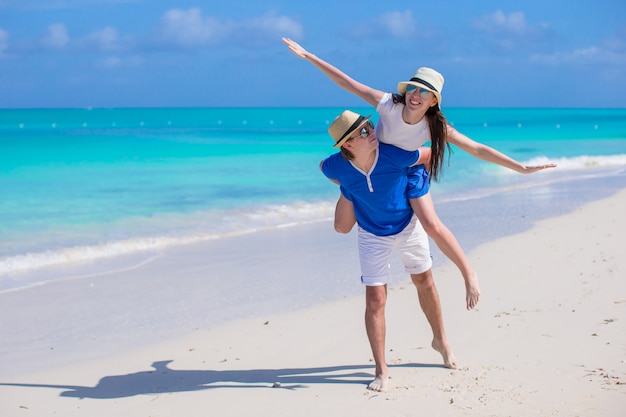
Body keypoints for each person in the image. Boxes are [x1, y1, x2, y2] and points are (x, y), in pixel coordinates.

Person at [283, 37, 557, 310]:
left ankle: (469, 274)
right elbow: (347, 83)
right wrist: (309, 57)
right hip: (377, 166)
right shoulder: (389, 104)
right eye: (413, 88)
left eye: (424, 92)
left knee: (431, 225)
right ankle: (353, 191)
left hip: (409, 169)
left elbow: (477, 149)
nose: (415, 94)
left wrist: (521, 168)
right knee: (342, 209)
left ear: (434, 100)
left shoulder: (435, 127)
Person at [321, 109, 454, 393]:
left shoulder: (394, 154)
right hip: (371, 234)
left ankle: (440, 340)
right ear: (347, 144)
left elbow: (429, 155)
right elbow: (324, 167)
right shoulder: (337, 166)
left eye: (370, 126)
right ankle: (381, 370)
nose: (373, 132)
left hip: (408, 226)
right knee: (375, 300)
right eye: (365, 131)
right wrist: (351, 187)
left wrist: (416, 182)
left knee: (424, 282)